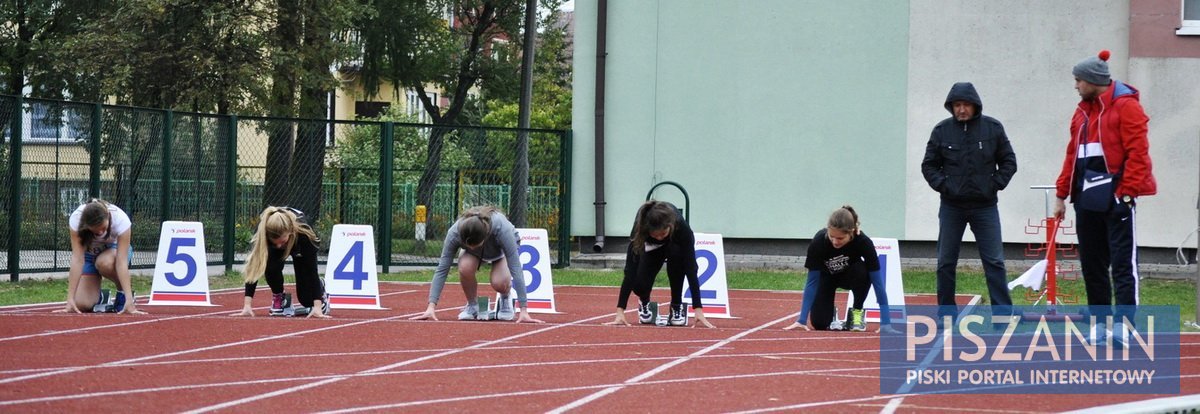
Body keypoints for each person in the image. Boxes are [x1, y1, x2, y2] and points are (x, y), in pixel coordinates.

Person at [1053, 49, 1155, 343]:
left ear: (1092, 80)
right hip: (1087, 198)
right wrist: (1062, 195)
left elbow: (1139, 153)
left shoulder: (1126, 107)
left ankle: (1125, 325)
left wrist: (1127, 192)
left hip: (1117, 195)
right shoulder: (1081, 112)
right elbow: (1072, 155)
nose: (1075, 86)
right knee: (1092, 263)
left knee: (1123, 262)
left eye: (1077, 81)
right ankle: (1098, 324)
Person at [921, 81, 1017, 323]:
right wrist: (945, 186)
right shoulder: (941, 131)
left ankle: (1003, 317)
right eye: (956, 105)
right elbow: (929, 166)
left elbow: (1009, 162)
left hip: (985, 207)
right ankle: (946, 315)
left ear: (975, 106)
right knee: (945, 262)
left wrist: (993, 184)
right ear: (951, 107)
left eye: (965, 105)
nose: (961, 109)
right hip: (952, 207)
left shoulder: (993, 129)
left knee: (994, 261)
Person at [411, 206, 543, 323]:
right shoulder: (454, 233)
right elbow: (442, 268)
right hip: (474, 253)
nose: (472, 247)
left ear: (485, 238)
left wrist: (524, 310)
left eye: (475, 245)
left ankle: (505, 298)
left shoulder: (502, 229)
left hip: (500, 251)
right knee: (464, 266)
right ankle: (472, 305)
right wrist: (431, 307)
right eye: (468, 245)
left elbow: (515, 268)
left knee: (499, 282)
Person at [604, 200, 715, 328]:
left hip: (674, 246)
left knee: (678, 259)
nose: (660, 238)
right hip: (652, 249)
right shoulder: (639, 230)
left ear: (670, 226)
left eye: (663, 234)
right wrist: (620, 311)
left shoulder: (682, 228)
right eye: (655, 235)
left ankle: (676, 306)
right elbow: (630, 270)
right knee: (639, 285)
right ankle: (644, 301)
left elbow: (691, 268)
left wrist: (698, 309)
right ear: (647, 230)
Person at [785, 207, 896, 333]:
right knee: (819, 324)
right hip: (827, 277)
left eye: (840, 238)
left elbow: (878, 283)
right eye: (832, 236)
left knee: (864, 271)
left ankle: (857, 311)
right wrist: (802, 320)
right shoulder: (819, 241)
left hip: (852, 276)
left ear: (852, 232)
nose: (835, 242)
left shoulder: (863, 242)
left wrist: (886, 322)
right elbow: (812, 282)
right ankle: (830, 313)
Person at [236, 206, 329, 318]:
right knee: (270, 266)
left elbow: (311, 270)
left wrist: (317, 307)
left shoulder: (304, 235)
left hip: (297, 244)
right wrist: (247, 305)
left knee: (306, 300)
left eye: (282, 242)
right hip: (275, 244)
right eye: (275, 242)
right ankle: (280, 297)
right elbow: (254, 268)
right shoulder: (262, 234)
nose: (279, 246)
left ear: (290, 232)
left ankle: (321, 286)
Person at [60, 198, 144, 314]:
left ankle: (122, 294)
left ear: (108, 216)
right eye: (95, 231)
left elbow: (121, 261)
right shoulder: (76, 220)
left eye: (103, 228)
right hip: (89, 256)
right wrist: (70, 299)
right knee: (82, 304)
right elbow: (77, 259)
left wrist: (129, 299)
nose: (100, 233)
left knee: (103, 262)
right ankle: (101, 297)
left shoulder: (121, 219)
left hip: (113, 253)